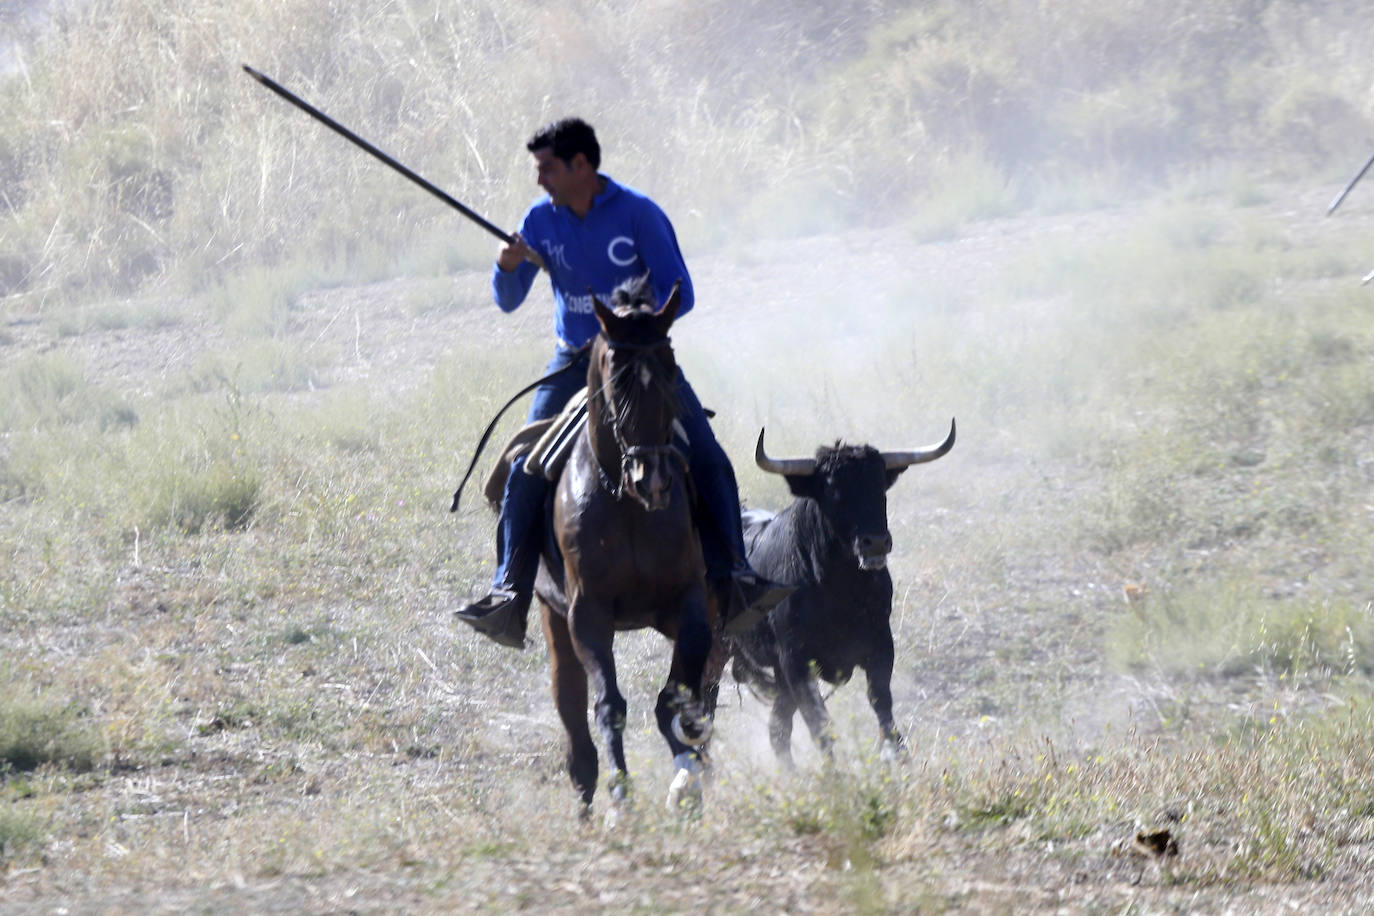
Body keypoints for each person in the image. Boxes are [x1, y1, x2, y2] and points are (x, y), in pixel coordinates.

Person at [453, 117, 792, 649]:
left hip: (639, 362)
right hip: (572, 364)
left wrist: (634, 327)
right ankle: (508, 590)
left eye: (547, 169)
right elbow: (508, 299)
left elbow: (682, 291)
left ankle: (734, 576)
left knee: (707, 456)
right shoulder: (539, 222)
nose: (539, 180)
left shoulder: (639, 214)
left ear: (580, 166)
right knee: (524, 467)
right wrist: (507, 265)